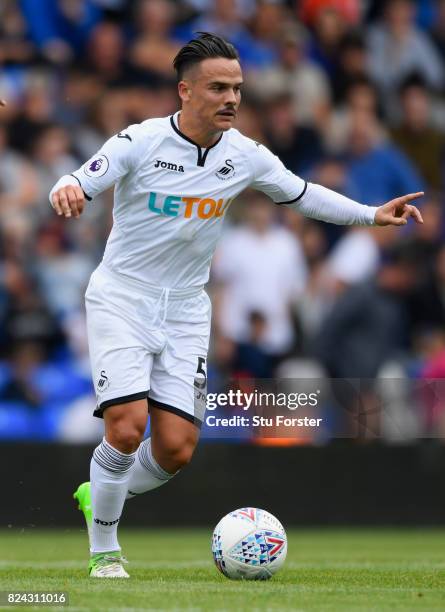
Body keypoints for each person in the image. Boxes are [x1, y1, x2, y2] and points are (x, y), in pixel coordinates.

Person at [48, 32, 423, 578]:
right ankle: (105, 550)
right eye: (218, 87)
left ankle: (99, 491)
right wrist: (69, 186)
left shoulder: (243, 155)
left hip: (186, 309)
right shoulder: (142, 140)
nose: (231, 98)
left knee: (175, 449)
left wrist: (371, 214)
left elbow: (303, 193)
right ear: (185, 91)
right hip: (123, 296)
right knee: (126, 429)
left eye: (237, 88)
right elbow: (87, 173)